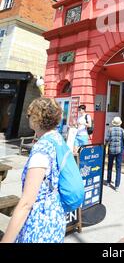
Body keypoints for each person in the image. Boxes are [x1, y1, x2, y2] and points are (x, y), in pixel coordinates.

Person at [1, 98, 66, 243]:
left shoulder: (41, 150)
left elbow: (26, 203)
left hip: (39, 222)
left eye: (29, 115)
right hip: (55, 215)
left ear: (36, 119)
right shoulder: (57, 138)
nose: (28, 118)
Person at [106, 117, 124, 192]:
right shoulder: (122, 130)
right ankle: (117, 186)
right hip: (119, 151)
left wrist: (106, 146)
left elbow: (107, 139)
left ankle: (108, 182)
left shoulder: (110, 130)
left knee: (110, 166)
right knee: (118, 168)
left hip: (111, 150)